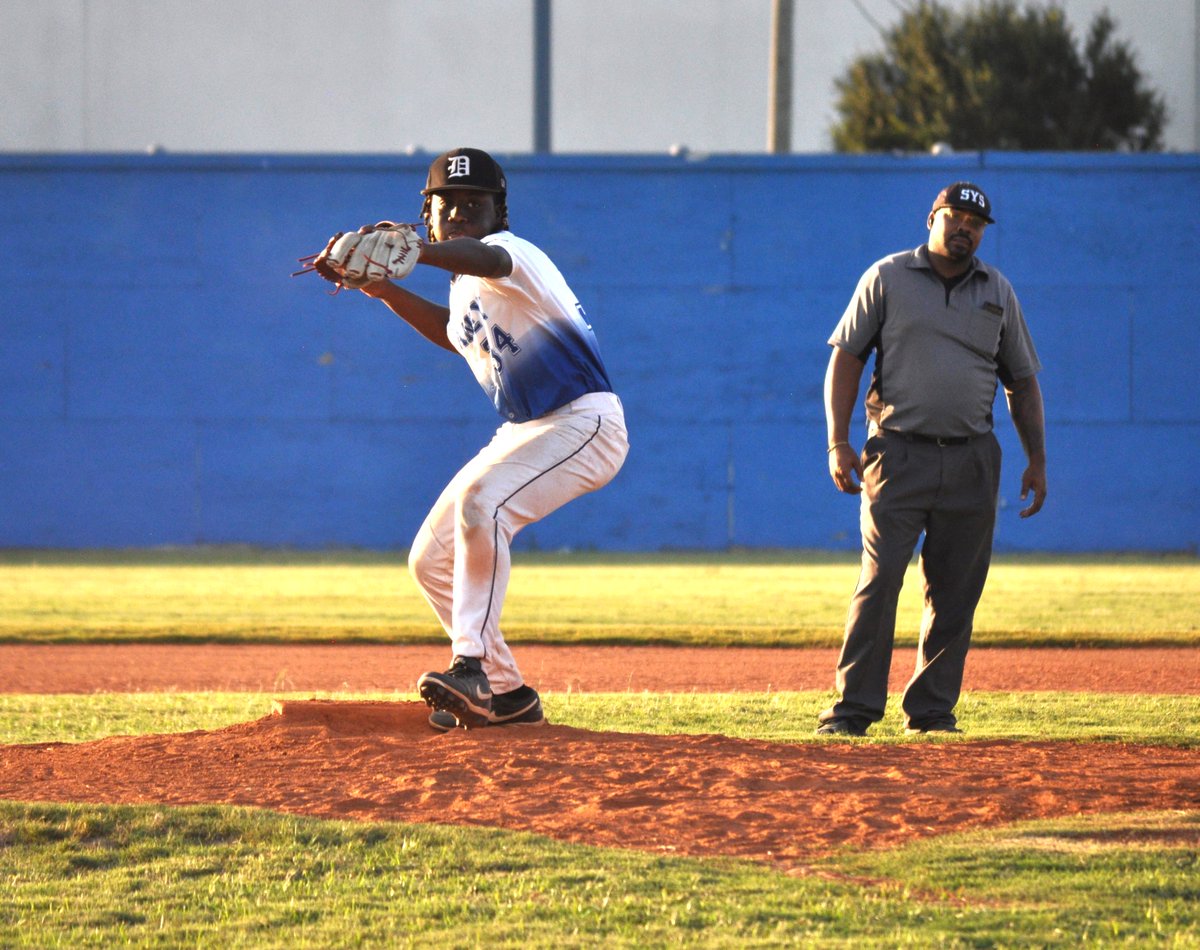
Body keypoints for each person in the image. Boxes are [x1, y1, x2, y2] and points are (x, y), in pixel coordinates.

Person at [322, 147, 629, 730]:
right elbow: (451, 332)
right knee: (429, 559)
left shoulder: (513, 254)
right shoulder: (464, 288)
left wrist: (419, 252)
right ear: (427, 213)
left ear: (498, 212)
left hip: (584, 423)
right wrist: (384, 290)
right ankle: (508, 696)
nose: (460, 212)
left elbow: (484, 258)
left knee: (481, 503)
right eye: (447, 204)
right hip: (529, 429)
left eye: (474, 204)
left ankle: (470, 668)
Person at [817, 181, 1047, 737]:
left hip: (971, 458)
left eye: (976, 222)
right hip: (896, 453)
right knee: (880, 581)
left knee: (955, 590)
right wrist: (837, 440)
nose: (965, 227)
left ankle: (932, 711)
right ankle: (852, 712)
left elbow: (1021, 380)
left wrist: (1036, 459)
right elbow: (845, 358)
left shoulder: (998, 291)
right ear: (932, 218)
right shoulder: (888, 277)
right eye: (956, 216)